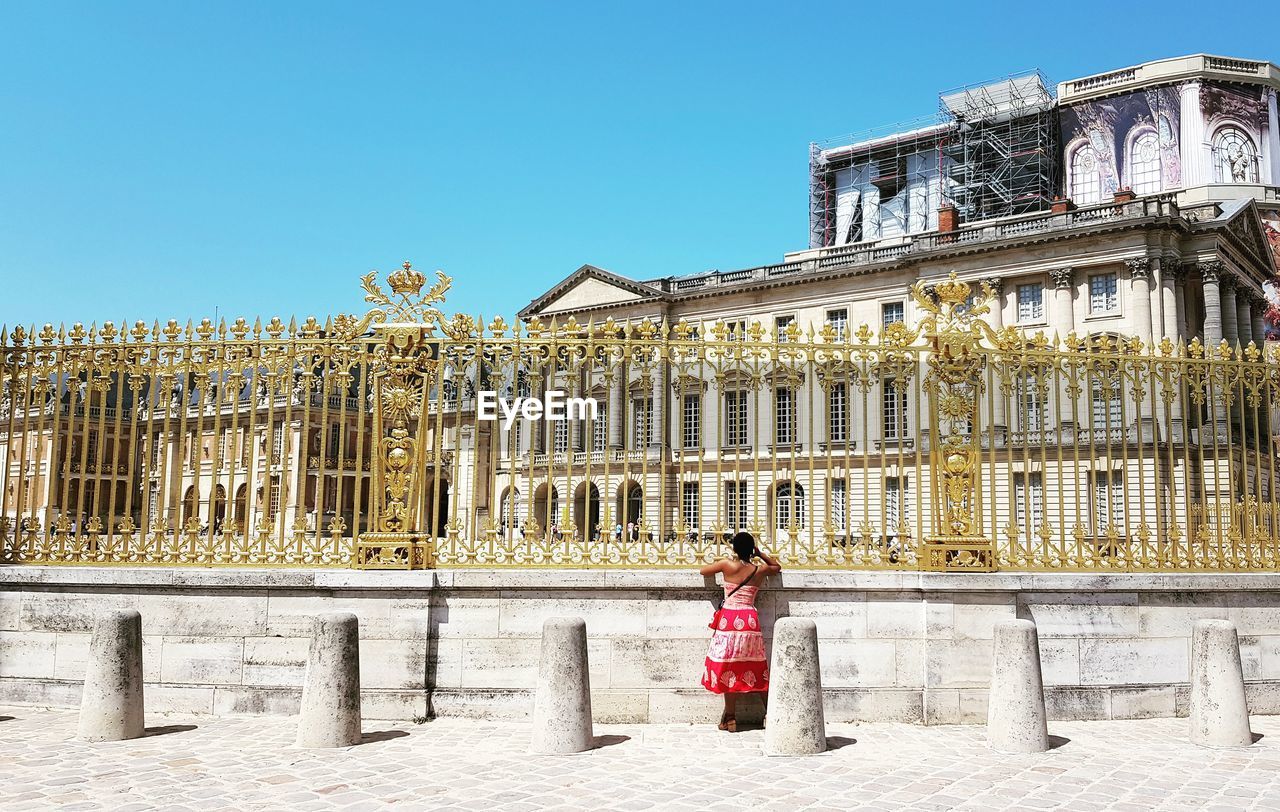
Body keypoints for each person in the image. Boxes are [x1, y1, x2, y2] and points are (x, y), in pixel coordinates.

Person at [698, 531, 781, 732]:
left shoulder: (727, 565)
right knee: (756, 665)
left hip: (729, 620)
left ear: (734, 548)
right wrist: (759, 554)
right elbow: (777, 567)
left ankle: (731, 717)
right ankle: (770, 713)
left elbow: (703, 571)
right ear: (751, 549)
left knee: (729, 667)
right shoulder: (758, 570)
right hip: (749, 621)